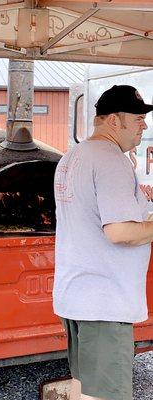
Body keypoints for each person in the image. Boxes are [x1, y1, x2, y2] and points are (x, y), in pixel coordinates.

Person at [53, 85, 153, 400]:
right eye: (138, 118)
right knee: (107, 395)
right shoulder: (110, 159)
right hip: (104, 302)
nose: (145, 126)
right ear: (113, 120)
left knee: (85, 389)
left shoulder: (73, 156)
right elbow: (120, 232)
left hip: (77, 296)